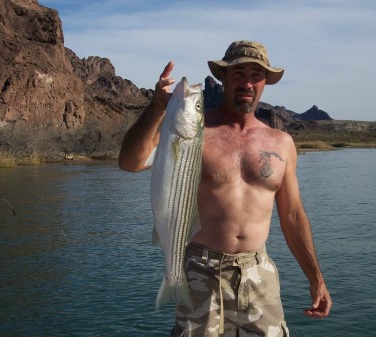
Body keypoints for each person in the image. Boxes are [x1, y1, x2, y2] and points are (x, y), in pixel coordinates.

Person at [119, 40, 332, 336]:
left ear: (265, 82)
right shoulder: (193, 132)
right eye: (238, 73)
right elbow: (130, 162)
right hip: (200, 272)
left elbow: (293, 216)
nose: (247, 82)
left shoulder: (281, 143)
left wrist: (316, 278)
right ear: (224, 77)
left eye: (256, 75)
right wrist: (156, 109)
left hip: (259, 274)